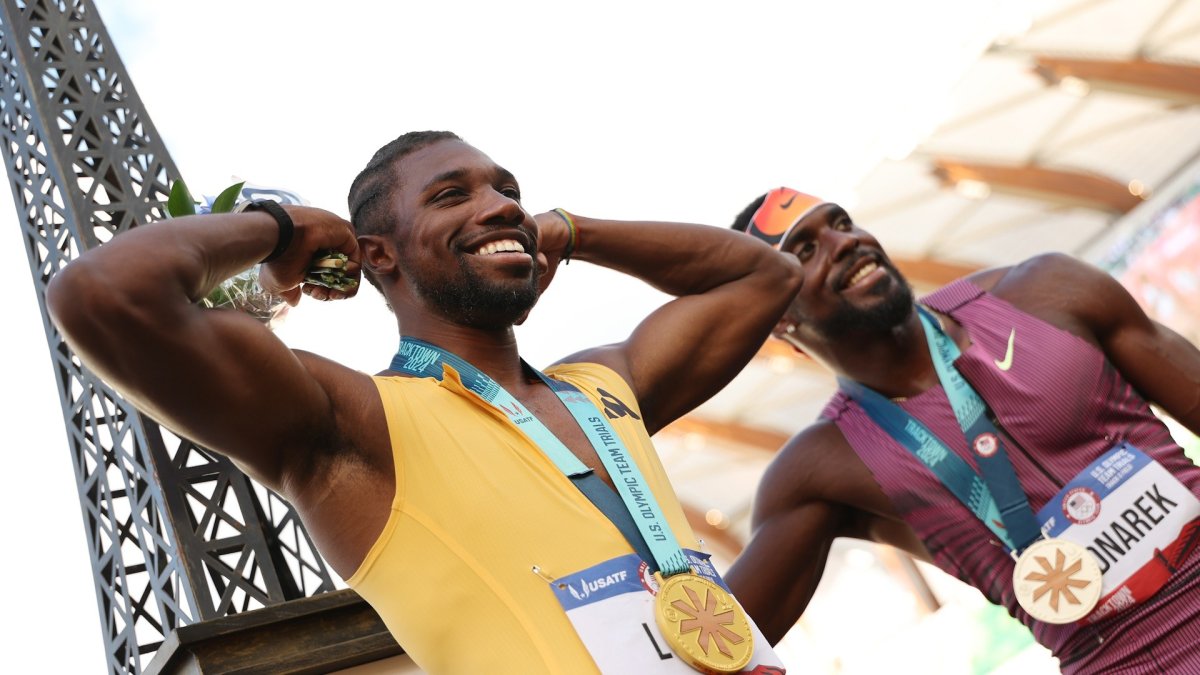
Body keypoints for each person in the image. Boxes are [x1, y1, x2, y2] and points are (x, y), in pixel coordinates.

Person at [45, 131, 800, 674]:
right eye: (451, 196)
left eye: (508, 190)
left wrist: (565, 231)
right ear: (378, 255)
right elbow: (104, 294)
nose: (501, 204)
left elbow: (764, 277)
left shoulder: (606, 385)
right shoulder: (354, 425)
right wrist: (281, 227)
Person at [723, 187, 1200, 673]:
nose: (845, 242)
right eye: (805, 250)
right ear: (777, 315)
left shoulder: (1045, 292)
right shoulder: (821, 468)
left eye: (842, 223)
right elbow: (714, 648)